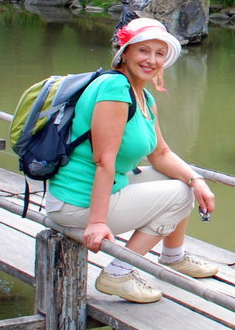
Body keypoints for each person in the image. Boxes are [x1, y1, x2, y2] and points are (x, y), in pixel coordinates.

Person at [45, 17, 218, 303]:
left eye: (159, 53)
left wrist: (196, 179)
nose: (151, 59)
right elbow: (103, 160)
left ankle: (173, 256)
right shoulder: (114, 88)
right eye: (143, 50)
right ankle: (118, 274)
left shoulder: (144, 97)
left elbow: (161, 154)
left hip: (104, 189)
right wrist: (97, 223)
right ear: (124, 52)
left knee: (182, 178)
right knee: (179, 193)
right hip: (77, 203)